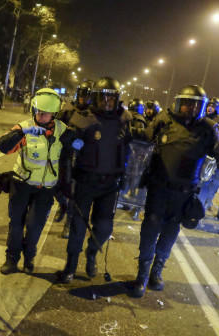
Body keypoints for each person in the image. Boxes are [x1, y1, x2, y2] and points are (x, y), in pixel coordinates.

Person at [130, 85, 219, 298]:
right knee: (149, 232)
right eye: (187, 103)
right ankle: (142, 275)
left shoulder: (208, 129)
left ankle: (156, 272)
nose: (190, 109)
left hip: (183, 194)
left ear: (202, 107)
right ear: (178, 103)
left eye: (195, 105)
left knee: (169, 234)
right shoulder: (164, 121)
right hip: (158, 190)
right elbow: (141, 140)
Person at [59, 77, 133, 283]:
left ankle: (92, 254)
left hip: (110, 184)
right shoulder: (83, 118)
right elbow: (65, 149)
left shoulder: (124, 120)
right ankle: (70, 265)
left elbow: (131, 148)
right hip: (84, 181)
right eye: (103, 97)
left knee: (104, 228)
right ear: (95, 98)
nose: (107, 102)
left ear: (117, 99)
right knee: (77, 226)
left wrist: (128, 177)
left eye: (112, 98)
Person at [0, 88, 67, 275]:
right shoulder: (24, 127)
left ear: (54, 113)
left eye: (46, 113)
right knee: (16, 223)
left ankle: (29, 258)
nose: (41, 116)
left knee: (35, 226)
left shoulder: (61, 130)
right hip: (21, 185)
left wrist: (80, 144)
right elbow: (3, 147)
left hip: (46, 189)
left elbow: (76, 147)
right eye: (38, 111)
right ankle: (11, 260)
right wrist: (22, 133)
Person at [53, 80, 93, 238]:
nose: (84, 98)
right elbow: (57, 128)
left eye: (87, 94)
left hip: (82, 158)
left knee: (74, 191)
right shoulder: (68, 109)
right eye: (82, 94)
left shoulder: (93, 114)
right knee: (56, 186)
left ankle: (68, 223)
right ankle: (62, 205)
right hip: (64, 154)